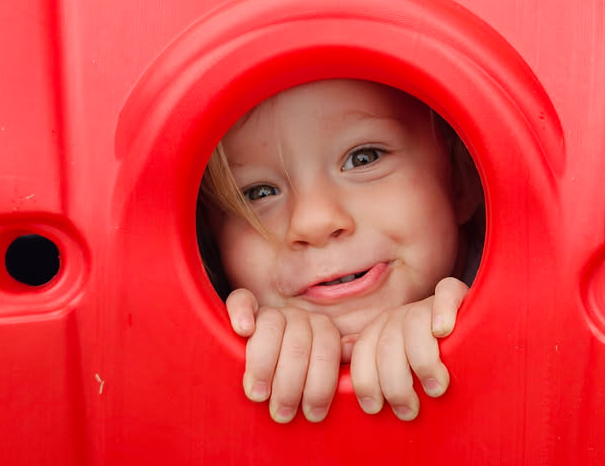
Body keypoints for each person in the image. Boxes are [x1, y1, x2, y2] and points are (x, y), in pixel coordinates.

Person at [199, 78, 483, 424]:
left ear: (460, 176)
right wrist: (238, 345)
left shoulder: (530, 291)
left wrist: (470, 327)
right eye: (258, 193)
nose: (313, 222)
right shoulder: (232, 328)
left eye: (364, 158)